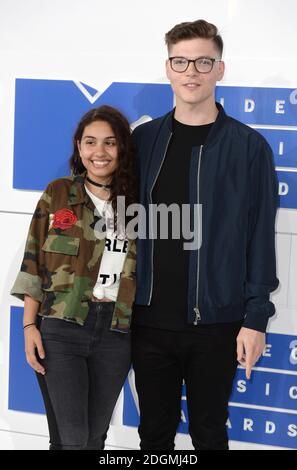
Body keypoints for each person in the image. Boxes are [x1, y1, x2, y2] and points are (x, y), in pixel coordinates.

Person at [131, 19, 279, 450]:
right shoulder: (144, 139)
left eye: (202, 61)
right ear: (168, 68)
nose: (191, 71)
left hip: (216, 323)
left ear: (220, 69)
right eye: (181, 61)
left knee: (209, 434)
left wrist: (255, 319)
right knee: (153, 436)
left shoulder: (249, 147)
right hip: (149, 320)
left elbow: (259, 238)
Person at [11, 105, 137, 450]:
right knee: (73, 440)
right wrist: (28, 327)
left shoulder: (138, 204)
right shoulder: (58, 193)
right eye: (91, 142)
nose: (99, 152)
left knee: (94, 439)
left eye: (110, 143)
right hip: (60, 328)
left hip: (115, 333)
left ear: (122, 148)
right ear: (78, 147)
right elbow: (33, 261)